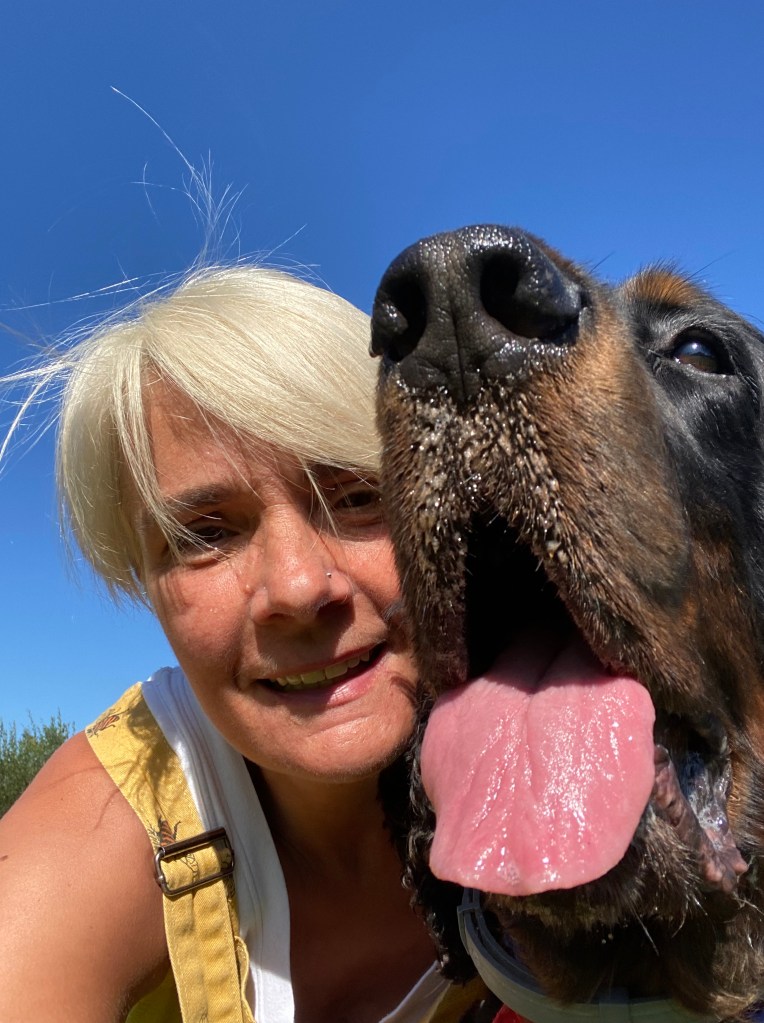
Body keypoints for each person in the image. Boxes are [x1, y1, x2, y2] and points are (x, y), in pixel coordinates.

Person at [0, 265, 487, 1023]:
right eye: (204, 535)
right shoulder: (107, 826)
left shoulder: (559, 717)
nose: (297, 586)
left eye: (356, 495)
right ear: (143, 583)